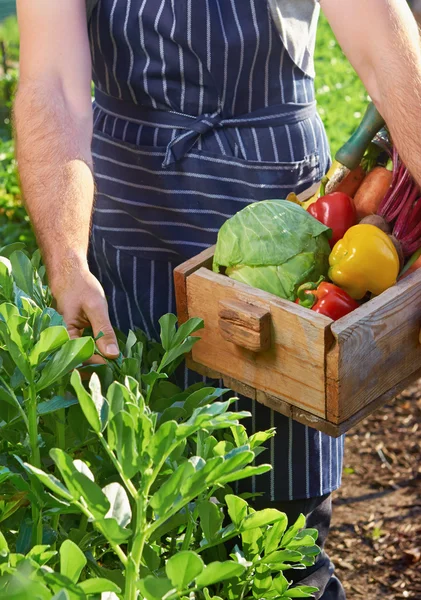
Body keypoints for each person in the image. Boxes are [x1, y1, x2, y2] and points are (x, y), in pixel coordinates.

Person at [13, 1, 421, 598]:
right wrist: (67, 258)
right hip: (131, 226)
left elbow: (387, 53)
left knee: (284, 544)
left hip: (283, 224)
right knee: (141, 520)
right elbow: (52, 83)